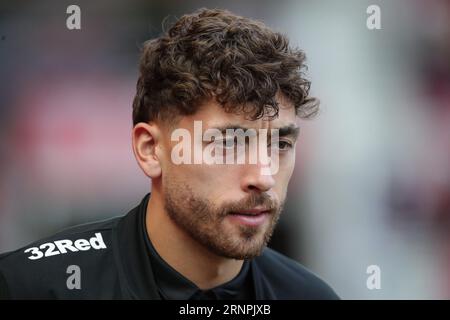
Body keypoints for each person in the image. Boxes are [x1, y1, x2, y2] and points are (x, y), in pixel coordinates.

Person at [0, 8, 339, 300]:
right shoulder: (30, 287)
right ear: (150, 150)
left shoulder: (309, 296)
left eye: (280, 144)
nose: (263, 177)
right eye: (229, 143)